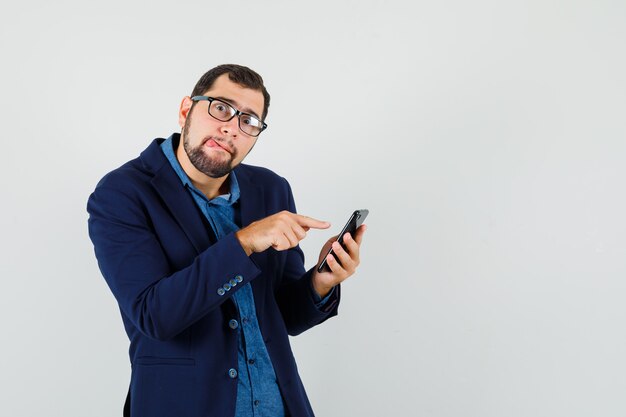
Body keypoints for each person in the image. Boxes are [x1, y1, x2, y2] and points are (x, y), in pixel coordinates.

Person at [87, 64, 366, 417]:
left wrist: (322, 281)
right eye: (221, 108)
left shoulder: (271, 189)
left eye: (248, 121)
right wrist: (244, 242)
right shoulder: (123, 193)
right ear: (186, 110)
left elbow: (286, 318)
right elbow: (155, 315)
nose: (231, 128)